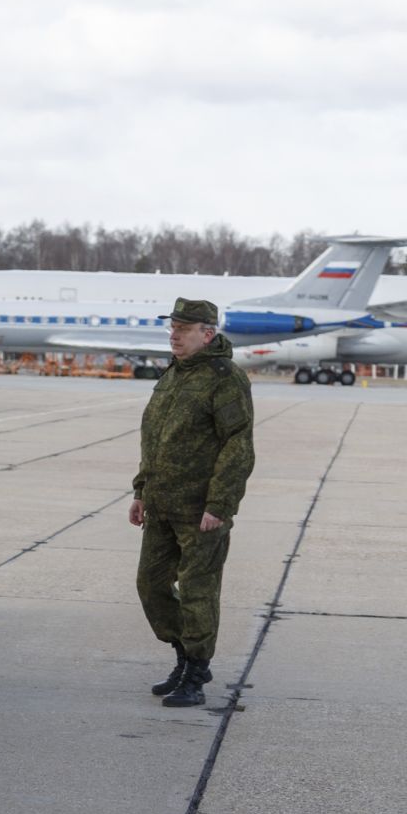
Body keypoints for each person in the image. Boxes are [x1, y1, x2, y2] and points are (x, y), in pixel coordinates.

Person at [131, 298, 254, 708]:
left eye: (182, 330)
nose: (173, 336)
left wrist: (219, 505)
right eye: (172, 329)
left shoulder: (225, 378)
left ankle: (196, 673)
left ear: (207, 333)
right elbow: (154, 438)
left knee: (199, 591)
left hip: (201, 510)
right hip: (162, 505)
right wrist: (140, 491)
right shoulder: (174, 375)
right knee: (150, 585)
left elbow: (238, 446)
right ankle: (183, 656)